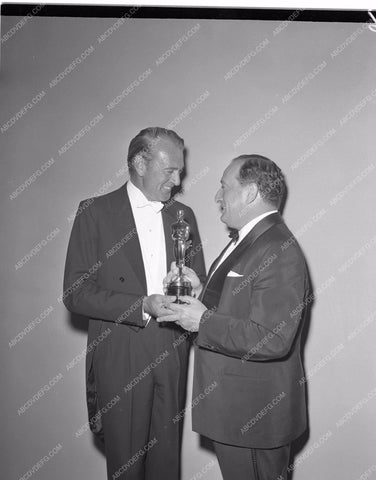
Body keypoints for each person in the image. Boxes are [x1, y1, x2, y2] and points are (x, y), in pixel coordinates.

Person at [63, 127, 206, 480]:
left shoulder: (183, 215)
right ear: (140, 163)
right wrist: (142, 304)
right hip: (120, 350)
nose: (177, 180)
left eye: (180, 171)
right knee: (126, 466)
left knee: (165, 464)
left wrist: (197, 288)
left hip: (171, 347)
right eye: (170, 170)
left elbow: (200, 285)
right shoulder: (94, 212)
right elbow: (76, 292)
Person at [159, 154, 310, 480]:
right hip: (237, 413)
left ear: (251, 193)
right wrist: (199, 291)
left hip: (254, 417)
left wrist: (202, 321)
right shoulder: (253, 241)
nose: (217, 197)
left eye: (224, 187)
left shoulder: (276, 248)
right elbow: (237, 304)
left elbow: (272, 338)